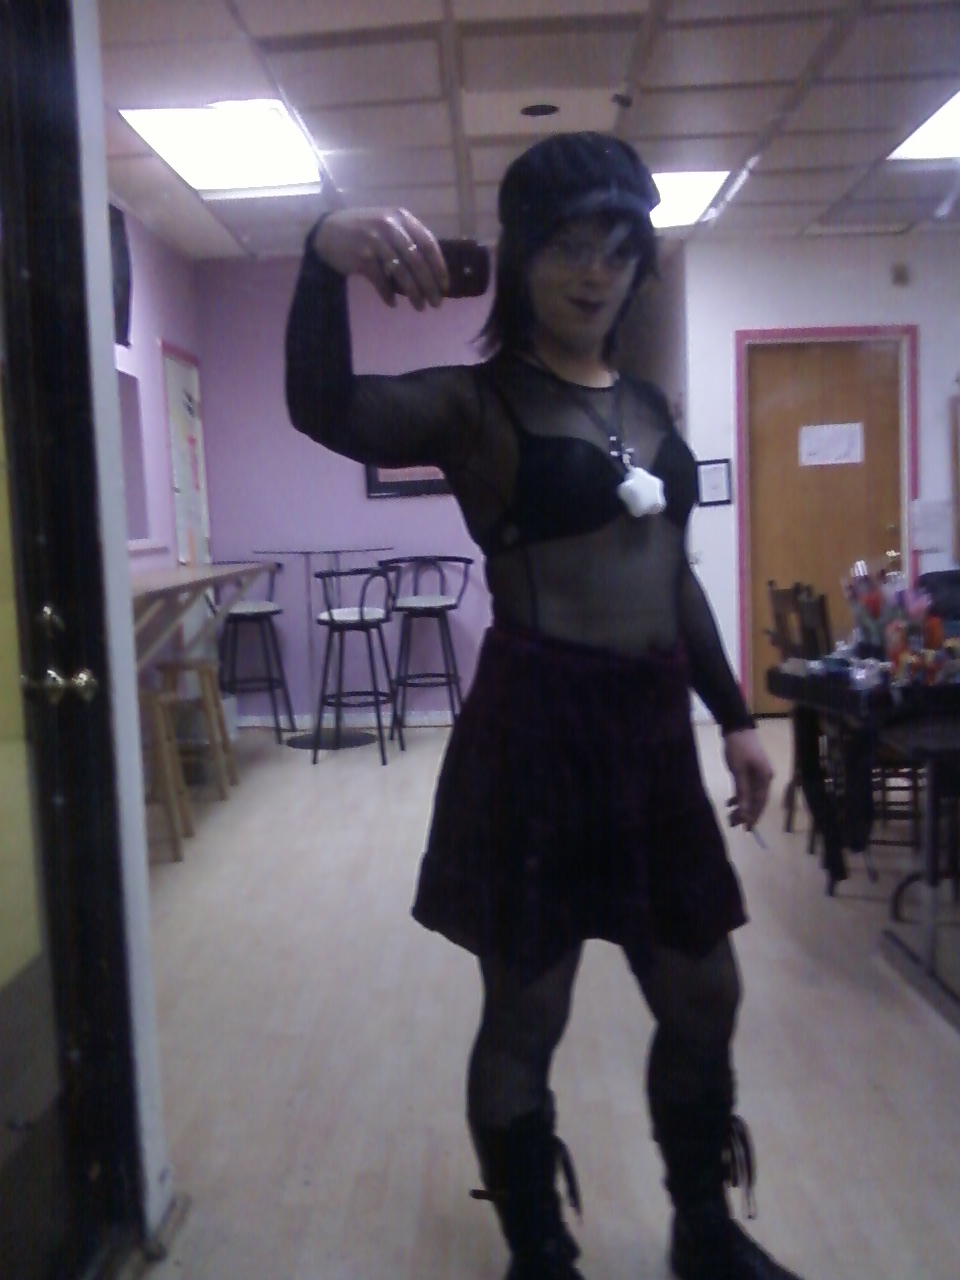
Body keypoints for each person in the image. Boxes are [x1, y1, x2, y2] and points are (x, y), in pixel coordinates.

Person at [285, 132, 800, 1280]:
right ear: (520, 258)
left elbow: (672, 573)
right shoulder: (475, 403)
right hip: (537, 732)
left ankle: (704, 1227)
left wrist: (735, 715)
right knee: (529, 1006)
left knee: (704, 987)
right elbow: (323, 406)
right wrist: (323, 257)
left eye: (617, 246)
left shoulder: (651, 402)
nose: (594, 270)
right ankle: (539, 1252)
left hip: (652, 734)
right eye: (568, 244)